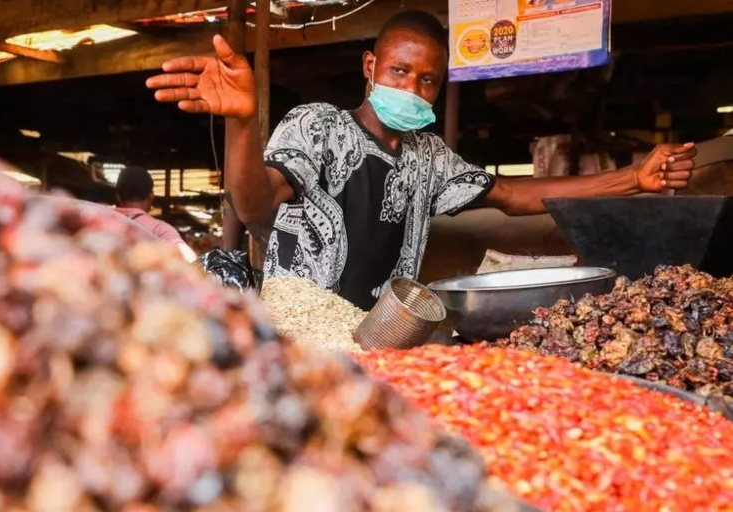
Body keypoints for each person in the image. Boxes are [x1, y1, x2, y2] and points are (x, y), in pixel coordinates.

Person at [146, 10, 697, 310]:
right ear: (370, 66)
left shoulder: (429, 157)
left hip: (385, 336)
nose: (411, 86)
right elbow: (253, 200)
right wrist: (243, 122)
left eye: (427, 79)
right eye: (399, 71)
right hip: (301, 337)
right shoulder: (318, 126)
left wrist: (634, 178)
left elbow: (513, 197)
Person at [114, 165, 198, 262]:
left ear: (118, 196)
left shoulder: (96, 221)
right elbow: (190, 261)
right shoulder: (160, 230)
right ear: (151, 196)